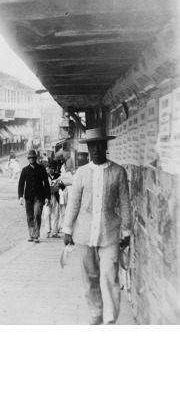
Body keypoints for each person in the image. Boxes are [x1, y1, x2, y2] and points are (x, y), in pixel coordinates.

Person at [62, 128, 131, 325]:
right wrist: (67, 230)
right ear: (89, 148)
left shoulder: (118, 172)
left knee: (109, 274)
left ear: (106, 146)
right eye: (93, 146)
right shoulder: (81, 174)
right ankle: (95, 312)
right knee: (90, 277)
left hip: (109, 233)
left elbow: (125, 203)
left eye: (100, 145)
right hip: (84, 234)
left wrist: (127, 231)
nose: (96, 149)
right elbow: (73, 203)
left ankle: (110, 318)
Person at [18, 149, 51, 243]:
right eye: (30, 158)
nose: (31, 159)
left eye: (33, 158)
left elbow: (46, 184)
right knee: (29, 216)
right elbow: (21, 184)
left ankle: (36, 235)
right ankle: (31, 234)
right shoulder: (25, 170)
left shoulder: (41, 169)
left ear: (35, 158)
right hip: (28, 197)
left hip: (39, 196)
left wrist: (47, 197)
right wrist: (20, 196)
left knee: (37, 214)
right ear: (28, 159)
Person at [42, 159, 64, 238]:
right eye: (49, 168)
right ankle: (48, 231)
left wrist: (58, 186)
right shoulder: (44, 176)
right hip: (47, 197)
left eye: (52, 168)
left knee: (55, 214)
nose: (50, 170)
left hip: (55, 197)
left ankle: (54, 232)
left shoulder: (58, 176)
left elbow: (63, 186)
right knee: (47, 214)